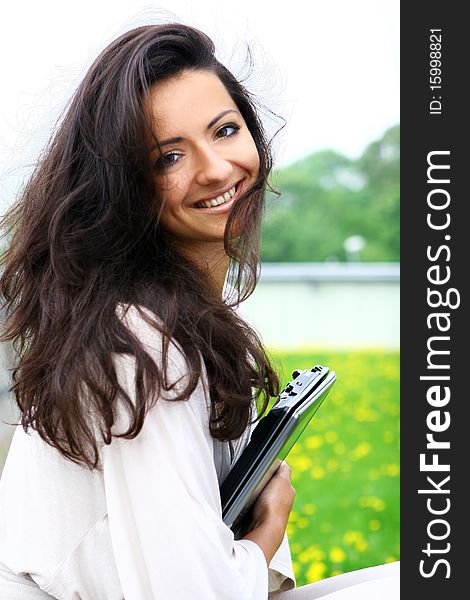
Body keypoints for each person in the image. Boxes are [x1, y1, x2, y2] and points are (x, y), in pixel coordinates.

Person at [0, 23, 399, 599]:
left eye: (226, 130)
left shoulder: (187, 323)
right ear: (126, 189)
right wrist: (264, 534)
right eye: (168, 157)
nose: (216, 169)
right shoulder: (140, 344)